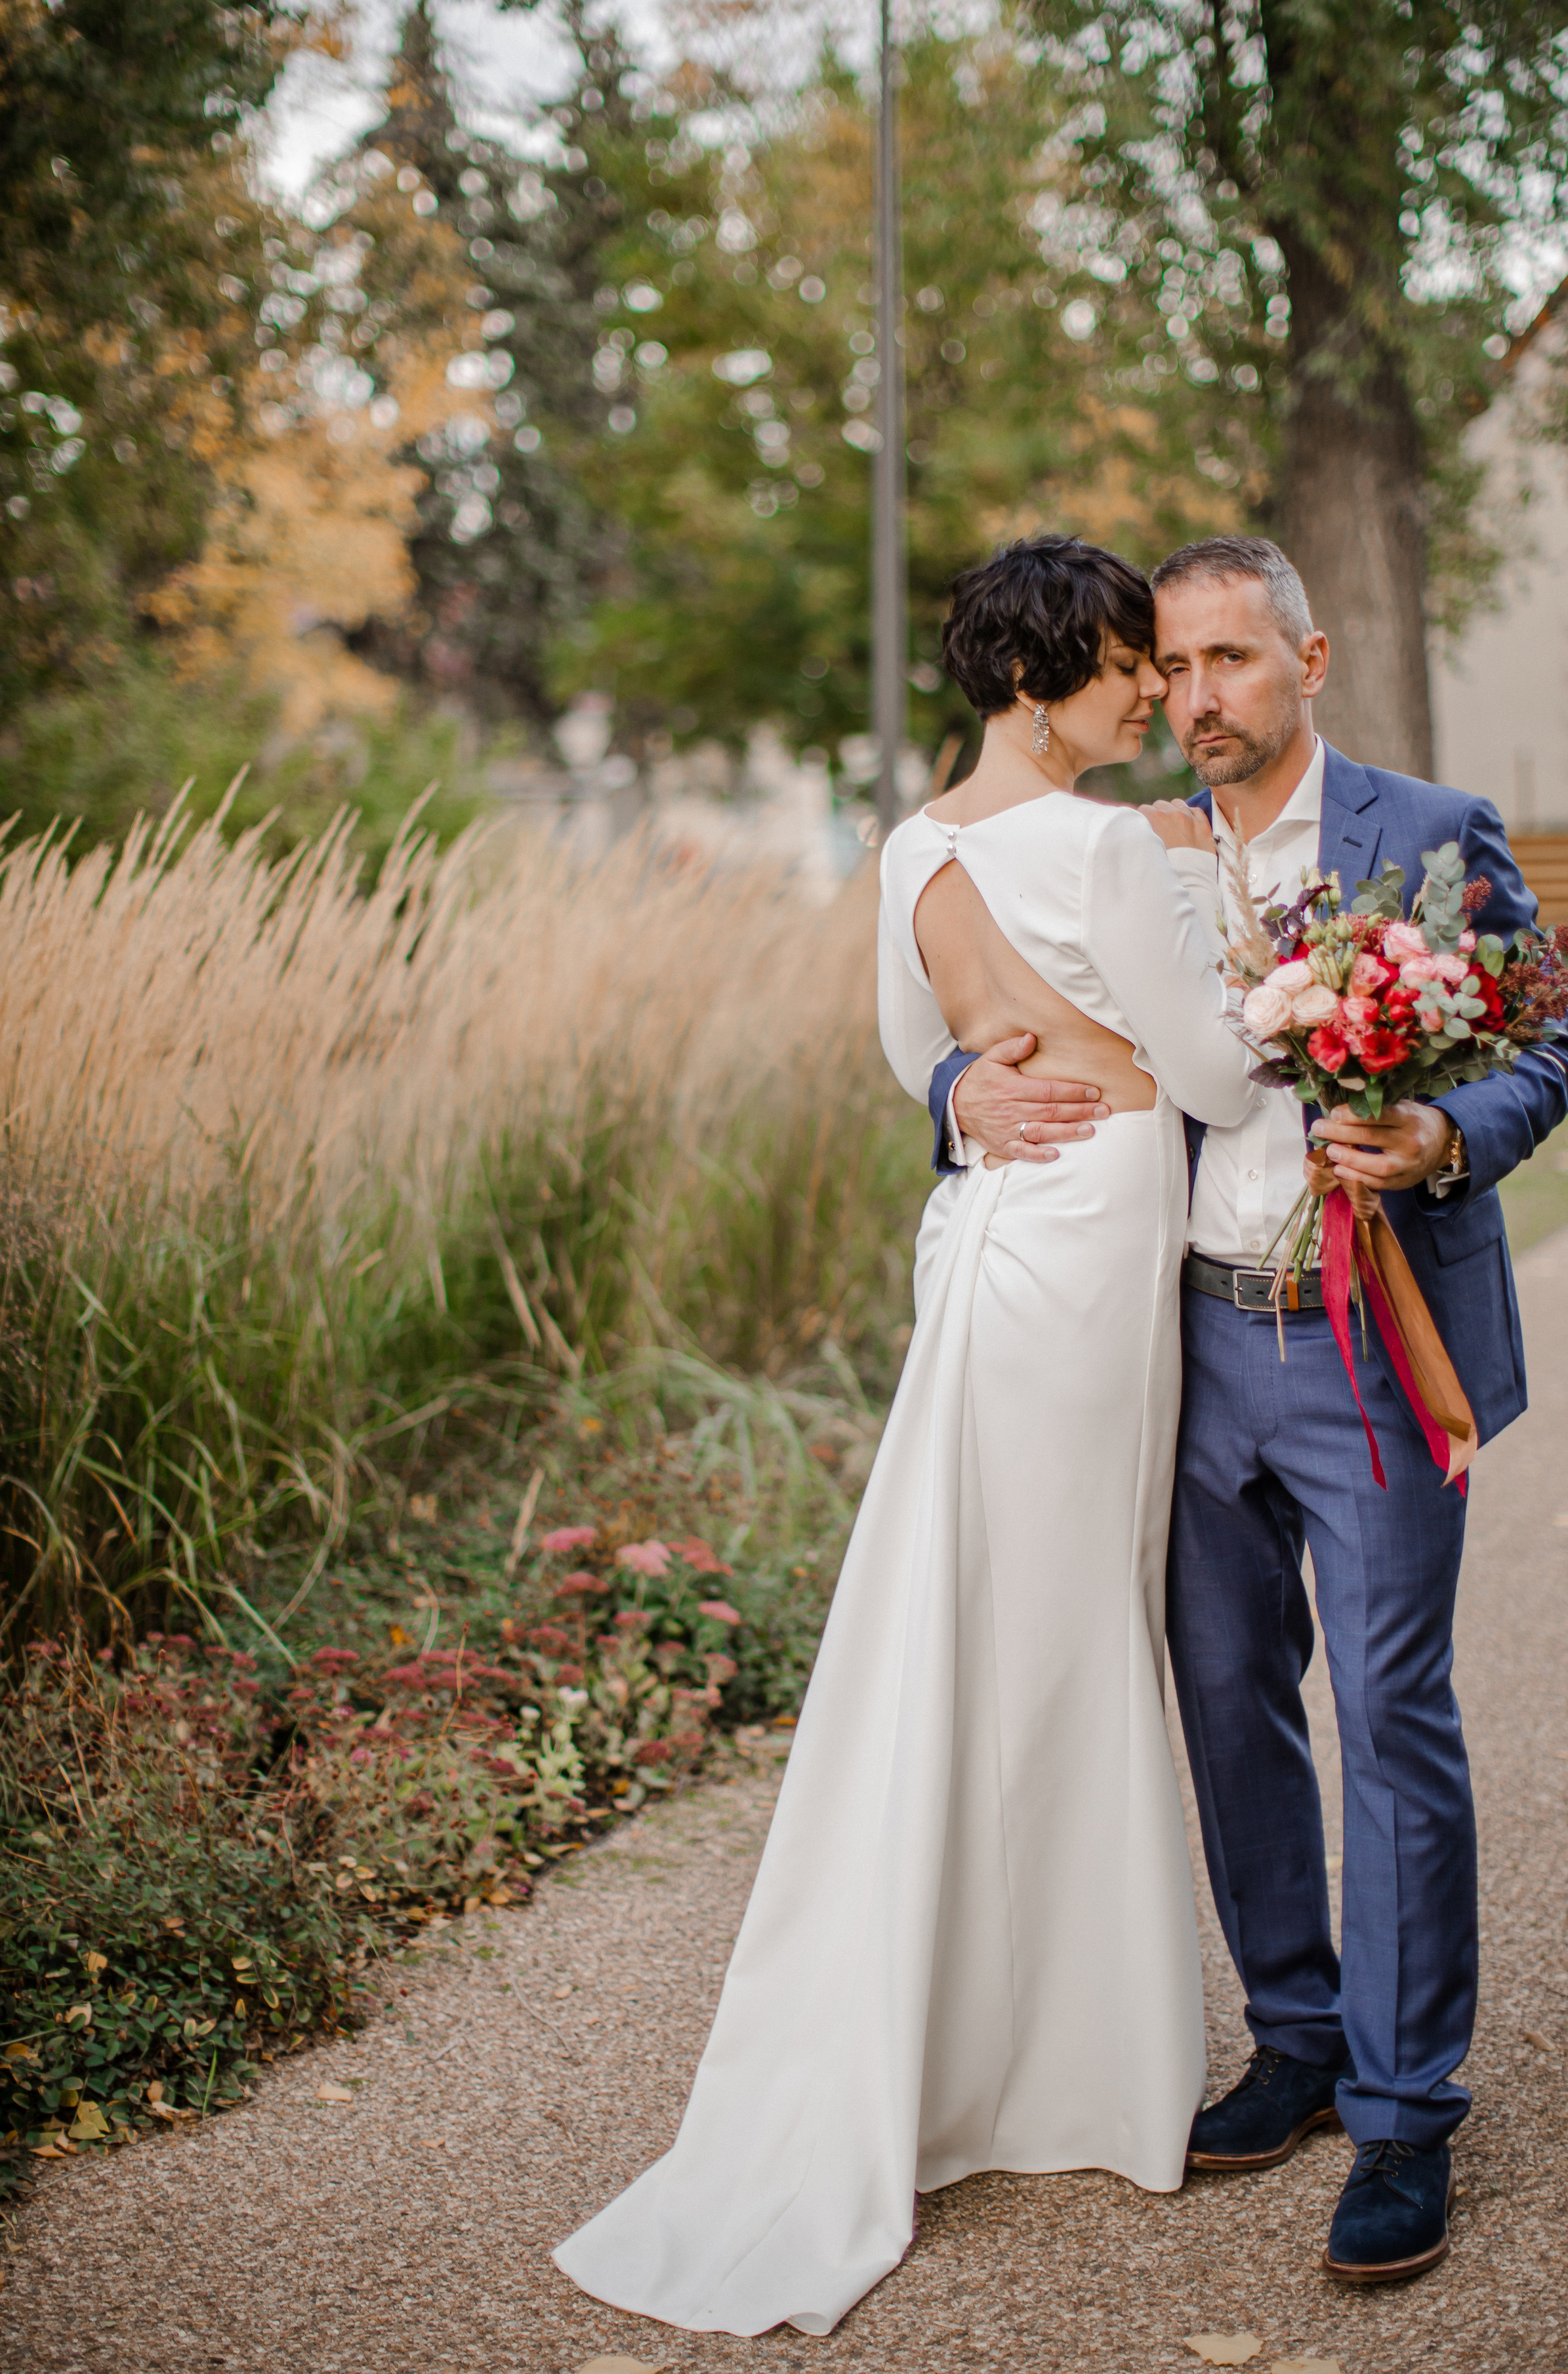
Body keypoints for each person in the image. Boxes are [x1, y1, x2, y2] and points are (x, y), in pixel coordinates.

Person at [552, 537, 1256, 2337]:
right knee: (1070, 1635)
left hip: (992, 1245)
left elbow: (906, 1057)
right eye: (1122, 669)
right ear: (1042, 684)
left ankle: (988, 2051)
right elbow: (1220, 1074)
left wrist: (966, 1083)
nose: (1150, 697)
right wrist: (1213, 909)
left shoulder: (916, 847)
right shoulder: (1109, 840)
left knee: (985, 1626)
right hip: (1093, 1236)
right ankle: (1066, 2069)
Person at [934, 534, 1568, 2287]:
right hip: (1188, 1344)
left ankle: (1402, 2108)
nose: (1197, 696)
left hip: (1374, 1337)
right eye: (1176, 665)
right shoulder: (1121, 852)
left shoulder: (1428, 832)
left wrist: (1448, 1136)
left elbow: (1543, 1045)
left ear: (1310, 659)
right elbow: (987, 1005)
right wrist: (951, 1091)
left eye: (1231, 660)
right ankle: (1294, 2038)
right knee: (1226, 1701)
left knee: (1392, 1713)